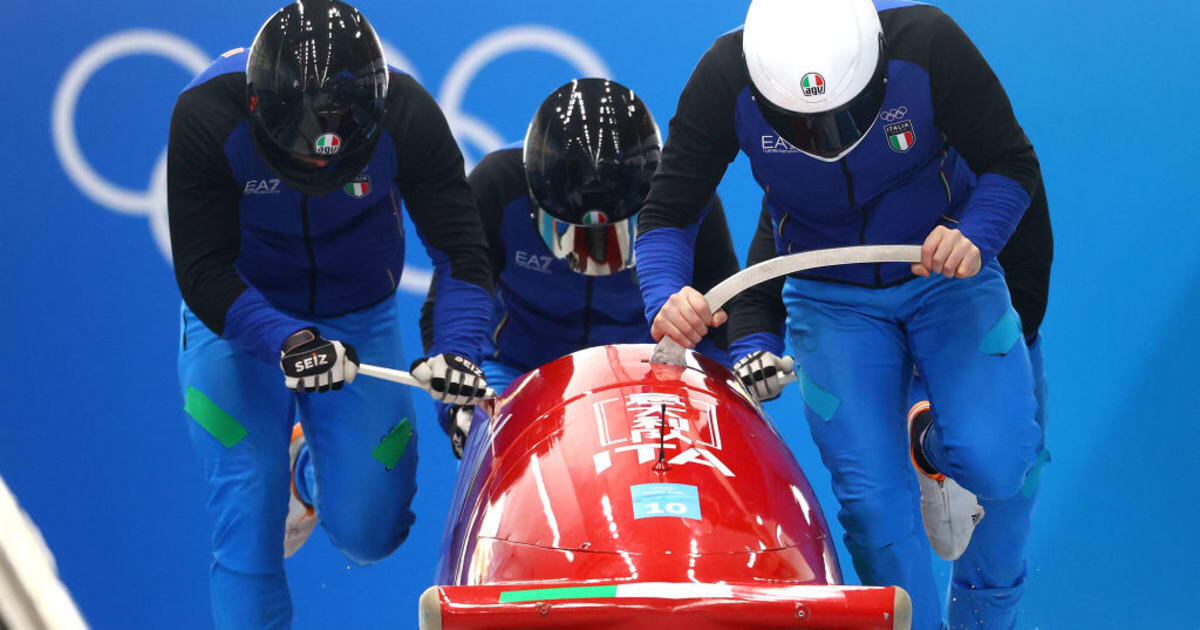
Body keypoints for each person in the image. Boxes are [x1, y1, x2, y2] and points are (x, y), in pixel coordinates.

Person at [631, 1, 1044, 628]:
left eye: (842, 117)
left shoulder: (929, 44)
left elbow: (1012, 164)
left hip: (944, 278)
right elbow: (667, 214)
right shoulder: (724, 75)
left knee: (999, 459)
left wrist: (974, 235)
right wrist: (667, 294)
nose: (824, 135)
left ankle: (933, 446)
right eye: (801, 125)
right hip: (831, 298)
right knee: (875, 514)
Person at [167, 1, 493, 627]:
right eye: (301, 154)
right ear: (260, 110)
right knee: (248, 519)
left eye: (334, 157)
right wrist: (286, 339)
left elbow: (464, 254)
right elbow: (204, 269)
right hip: (238, 319)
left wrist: (458, 350)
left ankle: (307, 478)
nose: (318, 163)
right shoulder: (206, 114)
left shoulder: (409, 116)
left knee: (372, 533)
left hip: (357, 319)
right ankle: (273, 477)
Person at [731, 177, 1053, 628]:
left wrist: (966, 380)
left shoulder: (992, 156)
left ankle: (933, 446)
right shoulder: (807, 174)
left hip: (979, 355)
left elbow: (1027, 292)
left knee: (1003, 503)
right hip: (877, 364)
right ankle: (931, 445)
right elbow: (764, 280)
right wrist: (753, 347)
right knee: (884, 524)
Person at [420, 78, 738, 455]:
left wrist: (720, 400)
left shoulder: (684, 191)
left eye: (613, 236)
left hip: (648, 374)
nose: (597, 254)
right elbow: (448, 301)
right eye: (576, 235)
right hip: (516, 373)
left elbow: (723, 317)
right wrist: (459, 406)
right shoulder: (498, 185)